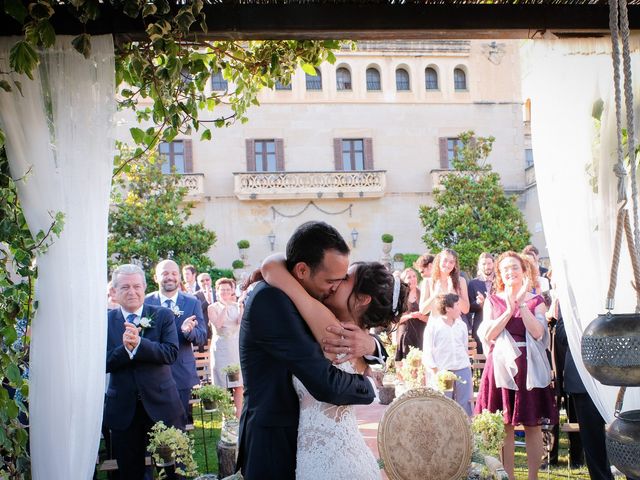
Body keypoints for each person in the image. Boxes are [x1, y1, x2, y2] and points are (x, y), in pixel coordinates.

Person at [236, 221, 386, 480]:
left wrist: (372, 345)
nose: (335, 287)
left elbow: (358, 340)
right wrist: (369, 386)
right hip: (274, 444)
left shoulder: (305, 293)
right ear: (303, 270)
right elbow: (325, 383)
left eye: (342, 280)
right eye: (331, 280)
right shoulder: (271, 300)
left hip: (311, 446)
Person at [261, 254, 408, 480]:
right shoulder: (361, 338)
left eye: (345, 279)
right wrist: (372, 345)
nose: (335, 281)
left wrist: (280, 271)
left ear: (362, 299)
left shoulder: (329, 326)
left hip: (331, 463)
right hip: (342, 456)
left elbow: (271, 265)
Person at [475, 251, 558, 480]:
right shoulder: (493, 300)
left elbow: (538, 331)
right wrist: (509, 310)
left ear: (523, 271)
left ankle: (533, 477)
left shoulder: (535, 301)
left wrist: (521, 305)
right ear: (500, 274)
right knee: (504, 426)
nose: (510, 272)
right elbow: (489, 334)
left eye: (514, 267)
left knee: (533, 426)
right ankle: (507, 476)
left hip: (529, 368)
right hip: (500, 368)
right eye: (505, 269)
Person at [105, 264, 186, 480]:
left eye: (136, 286)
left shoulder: (162, 315)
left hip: (163, 405)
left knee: (174, 470)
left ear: (144, 287)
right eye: (124, 287)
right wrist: (125, 350)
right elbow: (101, 363)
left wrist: (140, 345)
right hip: (123, 410)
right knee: (130, 472)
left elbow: (170, 353)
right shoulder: (104, 322)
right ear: (114, 291)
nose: (132, 292)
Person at [145, 259, 207, 417]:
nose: (170, 277)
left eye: (174, 273)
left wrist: (188, 332)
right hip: (152, 374)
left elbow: (201, 336)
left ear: (179, 277)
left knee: (181, 423)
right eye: (165, 273)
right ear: (156, 278)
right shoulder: (145, 303)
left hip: (181, 373)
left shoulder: (192, 302)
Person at [423, 293, 473, 416]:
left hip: (462, 369)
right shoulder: (433, 327)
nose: (460, 308)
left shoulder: (461, 325)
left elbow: (464, 347)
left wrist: (467, 366)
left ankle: (464, 433)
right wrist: (436, 371)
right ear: (448, 308)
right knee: (443, 406)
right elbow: (428, 350)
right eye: (457, 305)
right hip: (443, 372)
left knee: (464, 405)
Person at [208, 277, 243, 417]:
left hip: (235, 347)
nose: (225, 292)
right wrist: (225, 307)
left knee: (238, 384)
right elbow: (218, 324)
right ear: (217, 291)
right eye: (222, 289)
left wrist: (240, 307)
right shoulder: (212, 307)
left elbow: (240, 322)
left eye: (228, 289)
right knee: (222, 383)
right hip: (221, 349)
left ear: (232, 290)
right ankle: (225, 415)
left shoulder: (238, 305)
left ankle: (239, 414)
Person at [419, 248, 470, 321]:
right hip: (435, 326)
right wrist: (435, 295)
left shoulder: (461, 281)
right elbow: (422, 311)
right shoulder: (428, 282)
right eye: (445, 260)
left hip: (454, 326)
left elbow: (466, 309)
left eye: (451, 262)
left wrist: (454, 294)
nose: (447, 264)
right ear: (439, 261)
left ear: (455, 265)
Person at [394, 267, 428, 364]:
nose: (412, 279)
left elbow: (431, 319)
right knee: (406, 367)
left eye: (414, 276)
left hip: (422, 335)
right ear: (404, 280)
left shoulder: (423, 295)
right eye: (409, 277)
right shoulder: (400, 297)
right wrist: (409, 316)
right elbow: (394, 321)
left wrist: (421, 317)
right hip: (406, 335)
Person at [467, 252, 495, 354]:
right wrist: (479, 303)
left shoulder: (500, 281)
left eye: (489, 263)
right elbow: (468, 307)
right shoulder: (473, 283)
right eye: (483, 264)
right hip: (480, 325)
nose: (487, 266)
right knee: (482, 361)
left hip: (499, 324)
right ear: (479, 265)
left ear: (493, 264)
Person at [194, 272, 215, 352]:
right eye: (202, 281)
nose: (205, 282)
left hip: (218, 328)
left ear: (211, 280)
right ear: (198, 283)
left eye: (207, 280)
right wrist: (207, 301)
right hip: (204, 329)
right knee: (203, 354)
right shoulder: (195, 296)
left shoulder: (218, 292)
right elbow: (196, 311)